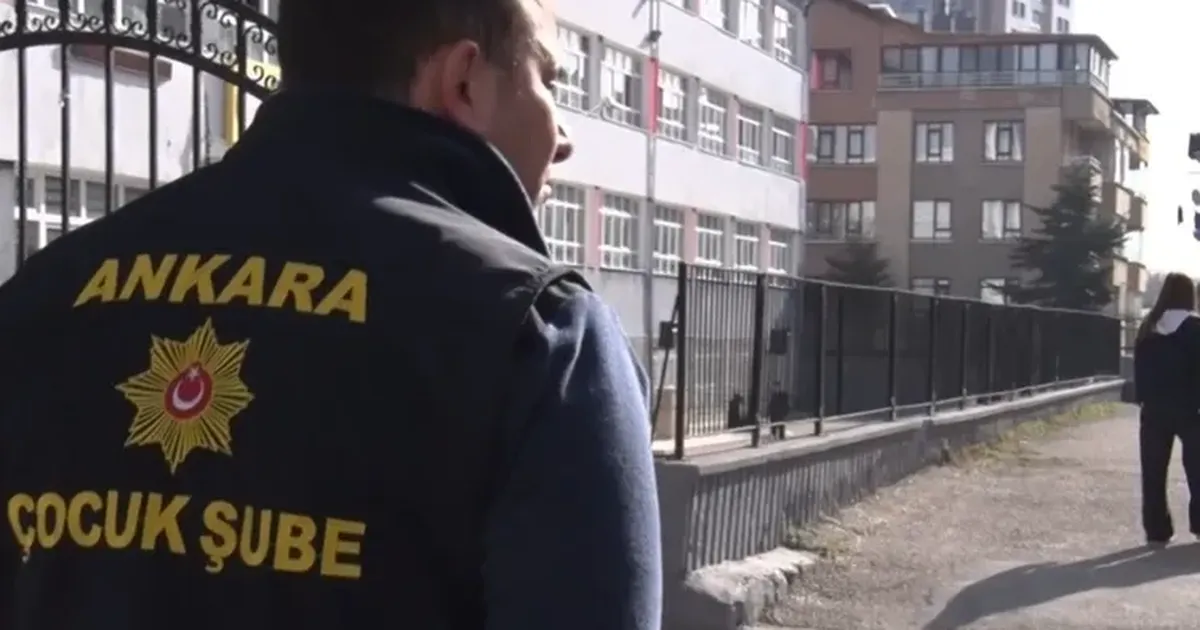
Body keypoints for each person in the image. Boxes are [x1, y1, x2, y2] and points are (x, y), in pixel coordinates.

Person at [0, 0, 662, 628]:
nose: (564, 137)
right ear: (462, 82)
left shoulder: (43, 294)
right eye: (548, 79)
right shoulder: (540, 334)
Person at [1133, 271, 1200, 546]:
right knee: (1197, 470)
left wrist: (1143, 398)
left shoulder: (1149, 326)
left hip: (1154, 408)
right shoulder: (1195, 327)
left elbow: (1139, 368)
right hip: (1191, 409)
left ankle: (1157, 529)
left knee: (1153, 472)